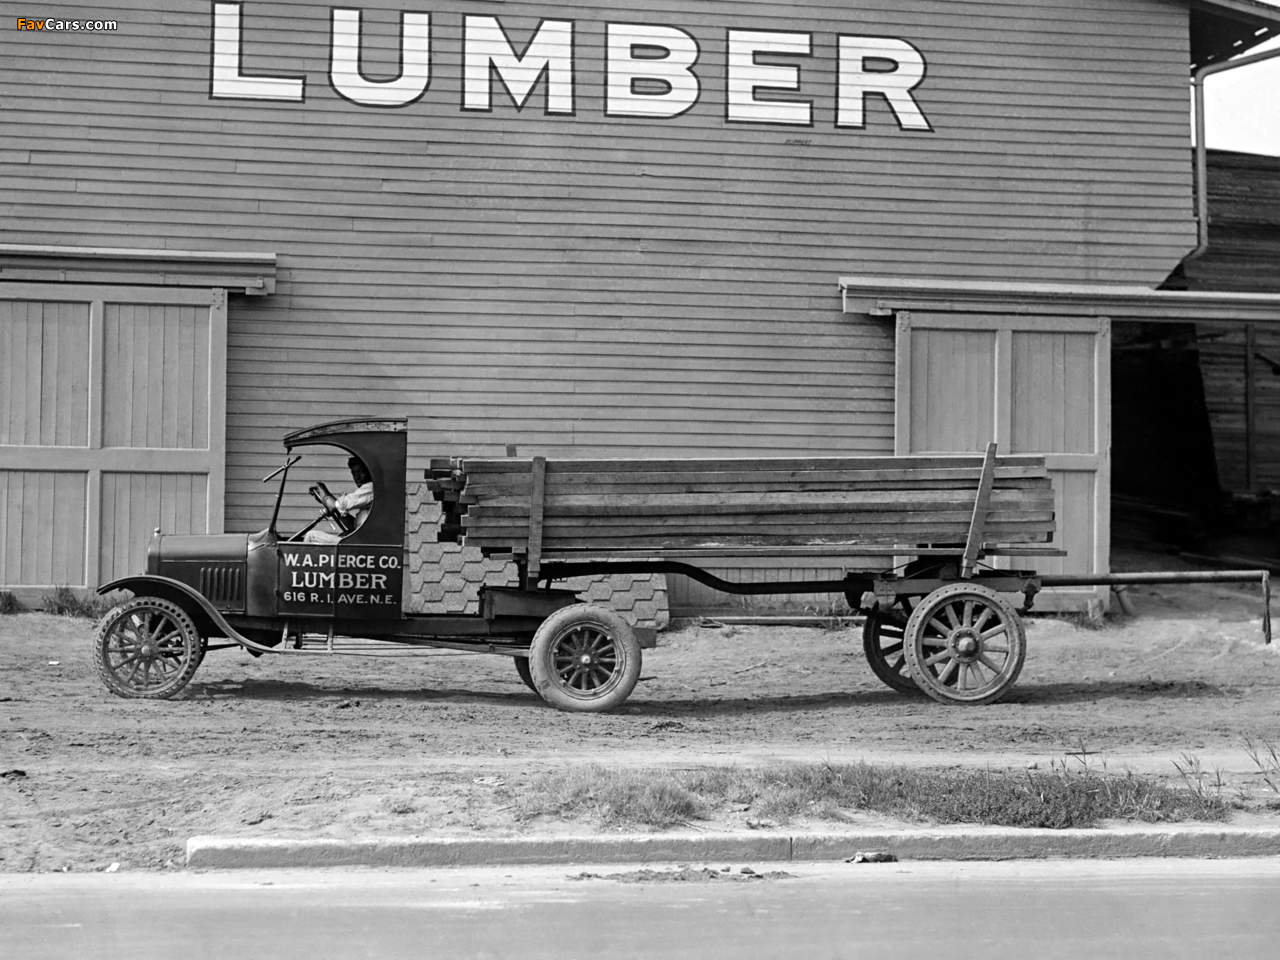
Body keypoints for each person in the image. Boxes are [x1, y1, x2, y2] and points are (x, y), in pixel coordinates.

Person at [304, 456, 374, 544]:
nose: (357, 477)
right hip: (363, 542)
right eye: (354, 473)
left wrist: (321, 488)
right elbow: (353, 527)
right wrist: (336, 510)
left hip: (364, 544)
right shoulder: (368, 495)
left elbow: (335, 506)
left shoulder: (371, 488)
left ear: (370, 472)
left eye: (361, 472)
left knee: (311, 536)